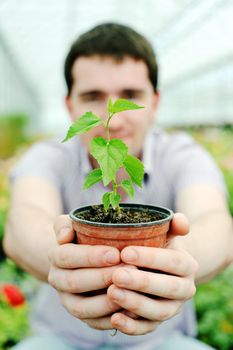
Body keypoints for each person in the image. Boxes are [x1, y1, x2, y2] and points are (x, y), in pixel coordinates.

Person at [3, 22, 233, 350]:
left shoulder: (180, 154)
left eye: (130, 96)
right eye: (92, 96)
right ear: (70, 105)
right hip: (62, 339)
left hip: (161, 341)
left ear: (154, 102)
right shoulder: (51, 155)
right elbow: (23, 220)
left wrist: (179, 261)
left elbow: (215, 223)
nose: (116, 117)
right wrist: (60, 258)